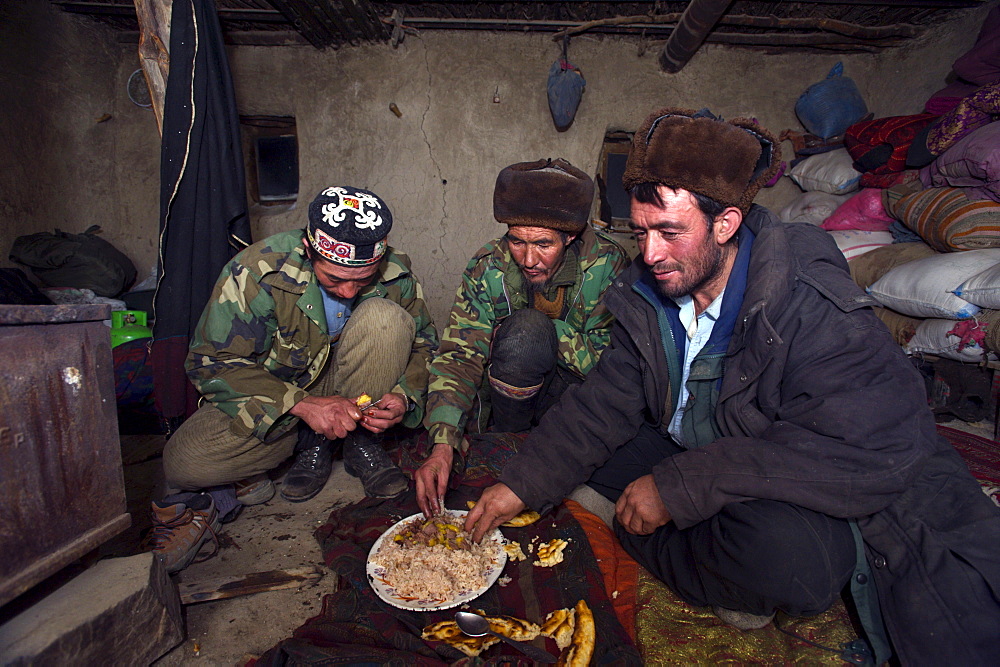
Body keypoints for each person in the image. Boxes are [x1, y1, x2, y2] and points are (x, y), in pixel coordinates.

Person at [466, 109, 1000, 663]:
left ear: (725, 224)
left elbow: (884, 449)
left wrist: (678, 488)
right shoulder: (650, 289)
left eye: (670, 233)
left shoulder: (811, 307)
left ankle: (667, 543)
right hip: (688, 442)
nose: (649, 254)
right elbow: (605, 402)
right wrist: (520, 487)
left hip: (769, 464)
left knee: (792, 562)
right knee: (572, 436)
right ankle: (682, 542)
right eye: (641, 232)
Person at [148, 185, 437, 573]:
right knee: (183, 462)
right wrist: (301, 405)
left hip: (359, 391)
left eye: (363, 279)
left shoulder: (396, 270)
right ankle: (309, 443)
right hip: (284, 399)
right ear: (308, 248)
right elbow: (211, 362)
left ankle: (359, 442)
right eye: (335, 280)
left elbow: (425, 345)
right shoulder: (258, 271)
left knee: (386, 319)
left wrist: (403, 396)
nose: (350, 290)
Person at [415, 158, 629, 517]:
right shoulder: (488, 266)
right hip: (507, 397)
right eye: (516, 241)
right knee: (525, 334)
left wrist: (549, 335)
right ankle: (508, 439)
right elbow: (460, 355)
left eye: (544, 244)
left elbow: (613, 363)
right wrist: (442, 443)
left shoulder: (608, 265)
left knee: (530, 330)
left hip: (574, 398)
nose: (529, 259)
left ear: (571, 237)